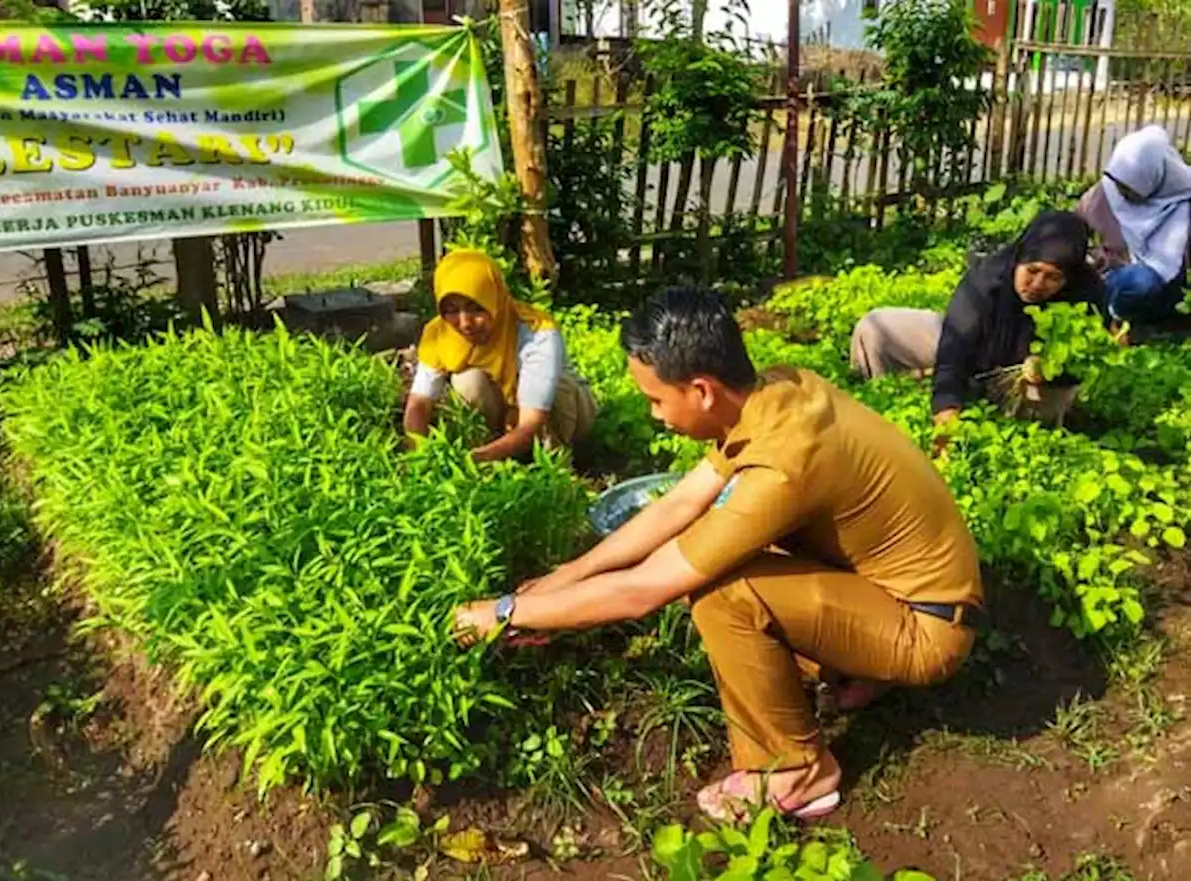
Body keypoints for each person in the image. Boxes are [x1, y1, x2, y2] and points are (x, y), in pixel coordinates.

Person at [453, 287, 983, 822]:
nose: (654, 415)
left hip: (928, 628)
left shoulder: (784, 464)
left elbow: (646, 590)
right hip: (908, 593)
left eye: (656, 399)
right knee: (733, 548)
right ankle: (857, 670)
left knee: (722, 591)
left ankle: (800, 771)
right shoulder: (781, 389)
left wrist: (502, 613)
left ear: (702, 390)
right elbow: (681, 501)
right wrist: (566, 577)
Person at [849, 211, 1105, 430]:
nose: (1037, 284)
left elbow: (1085, 362)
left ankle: (1000, 412)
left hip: (1026, 382)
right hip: (976, 352)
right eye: (1032, 270)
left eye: (1053, 277)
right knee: (874, 329)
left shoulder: (1086, 293)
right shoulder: (987, 279)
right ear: (1019, 258)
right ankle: (886, 401)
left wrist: (1052, 370)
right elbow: (953, 349)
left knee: (1047, 404)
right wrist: (946, 412)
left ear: (1069, 277)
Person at [403, 249, 596, 462]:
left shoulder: (535, 331)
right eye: (451, 310)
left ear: (494, 298)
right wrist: (418, 454)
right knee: (466, 381)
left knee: (558, 386)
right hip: (507, 419)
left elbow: (531, 423)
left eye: (476, 308)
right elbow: (419, 402)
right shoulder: (439, 334)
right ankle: (497, 450)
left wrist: (473, 460)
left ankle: (556, 461)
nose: (465, 323)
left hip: (562, 416)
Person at [1077, 124, 1191, 325]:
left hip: (1168, 287)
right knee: (1137, 281)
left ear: (1155, 178)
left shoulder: (1182, 199)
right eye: (1119, 185)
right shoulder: (1103, 194)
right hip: (1111, 278)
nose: (1122, 193)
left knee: (1144, 281)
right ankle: (1113, 315)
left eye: (1130, 189)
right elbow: (1074, 233)